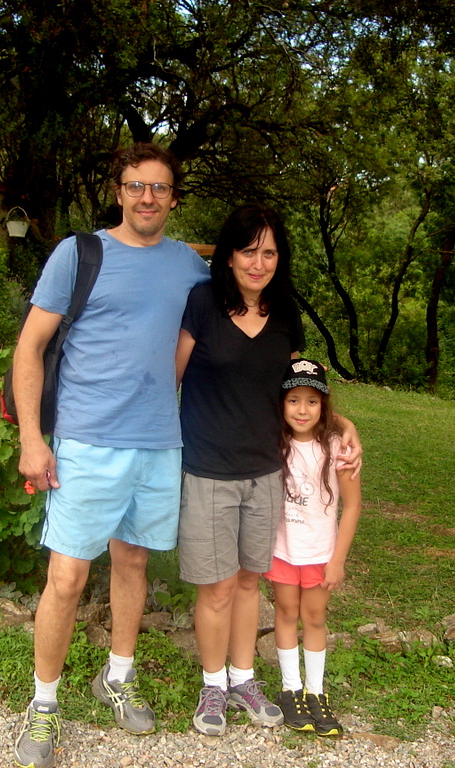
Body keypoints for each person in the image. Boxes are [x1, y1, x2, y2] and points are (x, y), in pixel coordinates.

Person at [12, 142, 210, 768]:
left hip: (158, 442)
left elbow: (240, 324)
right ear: (119, 192)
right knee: (66, 578)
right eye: (136, 186)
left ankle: (117, 676)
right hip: (86, 443)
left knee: (133, 563)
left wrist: (327, 415)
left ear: (173, 198)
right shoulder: (79, 255)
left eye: (159, 187)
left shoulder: (190, 267)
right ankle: (44, 702)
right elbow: (30, 347)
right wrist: (31, 438)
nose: (147, 197)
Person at [175, 204, 361, 737]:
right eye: (249, 251)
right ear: (229, 255)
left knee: (248, 583)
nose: (259, 263)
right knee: (215, 587)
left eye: (270, 253)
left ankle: (243, 679)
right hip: (209, 469)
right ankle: (213, 686)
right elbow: (171, 379)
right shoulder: (203, 302)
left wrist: (343, 422)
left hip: (266, 471)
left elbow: (298, 387)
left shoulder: (284, 312)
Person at [265, 358, 362, 737]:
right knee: (287, 612)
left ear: (324, 404)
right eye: (293, 400)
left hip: (321, 553)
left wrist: (338, 560)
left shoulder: (338, 448)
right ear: (281, 403)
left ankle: (316, 691)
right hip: (282, 550)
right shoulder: (273, 441)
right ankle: (291, 689)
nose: (302, 410)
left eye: (312, 401)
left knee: (315, 618)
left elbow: (352, 506)